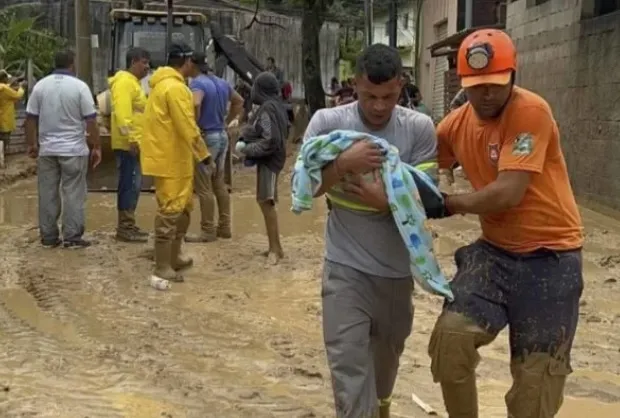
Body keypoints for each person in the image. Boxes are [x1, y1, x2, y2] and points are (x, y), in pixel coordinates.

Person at [428, 29, 584, 418]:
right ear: (464, 83)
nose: (487, 94)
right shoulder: (452, 126)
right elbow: (429, 165)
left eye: (496, 85)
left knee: (536, 390)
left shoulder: (531, 112)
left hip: (552, 258)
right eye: (477, 86)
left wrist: (449, 204)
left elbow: (507, 193)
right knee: (450, 342)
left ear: (513, 75)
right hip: (495, 254)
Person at [301, 44, 438, 418]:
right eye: (369, 96)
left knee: (386, 364)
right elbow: (304, 186)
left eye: (388, 96)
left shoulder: (418, 127)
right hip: (344, 269)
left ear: (401, 86)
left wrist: (388, 201)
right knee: (349, 369)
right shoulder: (328, 124)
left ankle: (381, 408)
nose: (379, 106)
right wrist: (343, 163)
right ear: (355, 85)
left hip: (396, 274)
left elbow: (429, 198)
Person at [140, 43, 211, 282]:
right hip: (172, 159)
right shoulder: (176, 89)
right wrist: (204, 154)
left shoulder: (161, 86)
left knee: (183, 207)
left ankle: (174, 256)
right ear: (187, 62)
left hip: (169, 157)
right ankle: (162, 265)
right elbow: (187, 125)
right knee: (171, 210)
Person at [24, 50, 102, 249]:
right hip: (74, 150)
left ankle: (49, 237)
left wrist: (32, 144)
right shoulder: (80, 87)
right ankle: (72, 237)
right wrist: (96, 146)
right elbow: (91, 120)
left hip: (48, 151)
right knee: (73, 194)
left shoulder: (40, 87)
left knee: (47, 193)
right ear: (72, 64)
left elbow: (30, 119)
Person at [185, 52, 244, 242]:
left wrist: (195, 125)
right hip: (222, 135)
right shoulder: (221, 82)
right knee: (219, 182)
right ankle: (225, 227)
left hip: (207, 137)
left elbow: (195, 103)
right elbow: (239, 101)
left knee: (203, 186)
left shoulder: (197, 83)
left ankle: (207, 230)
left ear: (192, 65)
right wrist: (227, 121)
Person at [235, 72, 289, 263]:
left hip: (270, 159)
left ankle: (275, 249)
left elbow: (270, 139)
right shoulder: (276, 106)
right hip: (273, 157)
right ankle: (274, 247)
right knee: (264, 201)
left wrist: (247, 149)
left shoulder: (267, 109)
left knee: (266, 201)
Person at [108, 47, 151, 242]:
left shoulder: (133, 83)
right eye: (144, 62)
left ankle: (129, 224)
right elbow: (123, 114)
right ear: (133, 62)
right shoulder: (125, 82)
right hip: (128, 144)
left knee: (133, 184)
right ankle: (125, 227)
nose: (147, 67)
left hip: (134, 143)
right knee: (129, 184)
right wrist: (132, 138)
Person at [0, 70, 25, 155]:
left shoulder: (2, 87)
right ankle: (2, 156)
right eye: (7, 78)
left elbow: (7, 86)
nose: (8, 79)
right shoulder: (5, 89)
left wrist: (16, 80)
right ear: (3, 78)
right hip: (5, 116)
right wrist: (21, 87)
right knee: (5, 138)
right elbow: (17, 95)